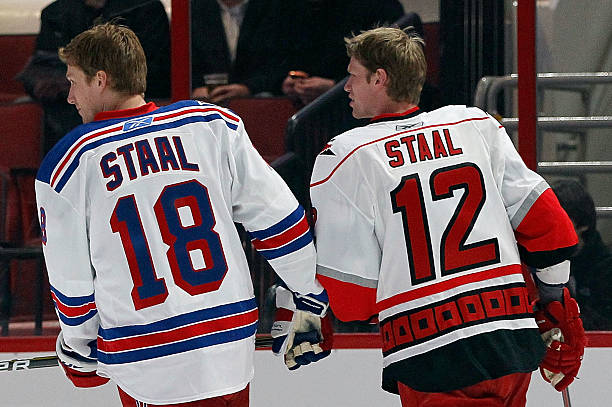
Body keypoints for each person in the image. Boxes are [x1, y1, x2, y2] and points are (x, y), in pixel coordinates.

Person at [35, 22, 330, 406]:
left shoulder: (68, 164)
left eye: (73, 81)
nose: (70, 96)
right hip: (228, 350)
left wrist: (77, 347)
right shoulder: (212, 124)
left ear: (100, 80)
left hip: (149, 363)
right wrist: (310, 297)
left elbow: (71, 282)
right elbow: (280, 221)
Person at [309, 27, 586, 406]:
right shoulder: (474, 125)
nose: (345, 87)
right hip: (507, 341)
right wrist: (556, 301)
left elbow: (353, 299)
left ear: (380, 78)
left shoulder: (344, 158)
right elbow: (544, 221)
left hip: (430, 355)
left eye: (353, 75)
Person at [17, 0, 170, 154]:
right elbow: (42, 68)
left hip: (134, 97)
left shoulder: (145, 7)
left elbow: (157, 71)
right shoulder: (55, 13)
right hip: (64, 106)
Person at [281, 0, 405, 107]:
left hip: (364, 108)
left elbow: (395, 70)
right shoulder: (291, 7)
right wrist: (286, 82)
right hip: (303, 108)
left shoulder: (379, 6)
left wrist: (335, 88)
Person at [190, 0, 292, 104]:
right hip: (204, 109)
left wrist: (248, 88)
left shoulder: (278, 9)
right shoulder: (191, 10)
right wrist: (194, 89)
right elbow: (182, 65)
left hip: (262, 105)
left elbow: (281, 63)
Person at [551, 179, 612, 330]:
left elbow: (604, 325)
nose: (551, 228)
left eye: (559, 221)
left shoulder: (607, 269)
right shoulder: (538, 261)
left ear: (583, 224)